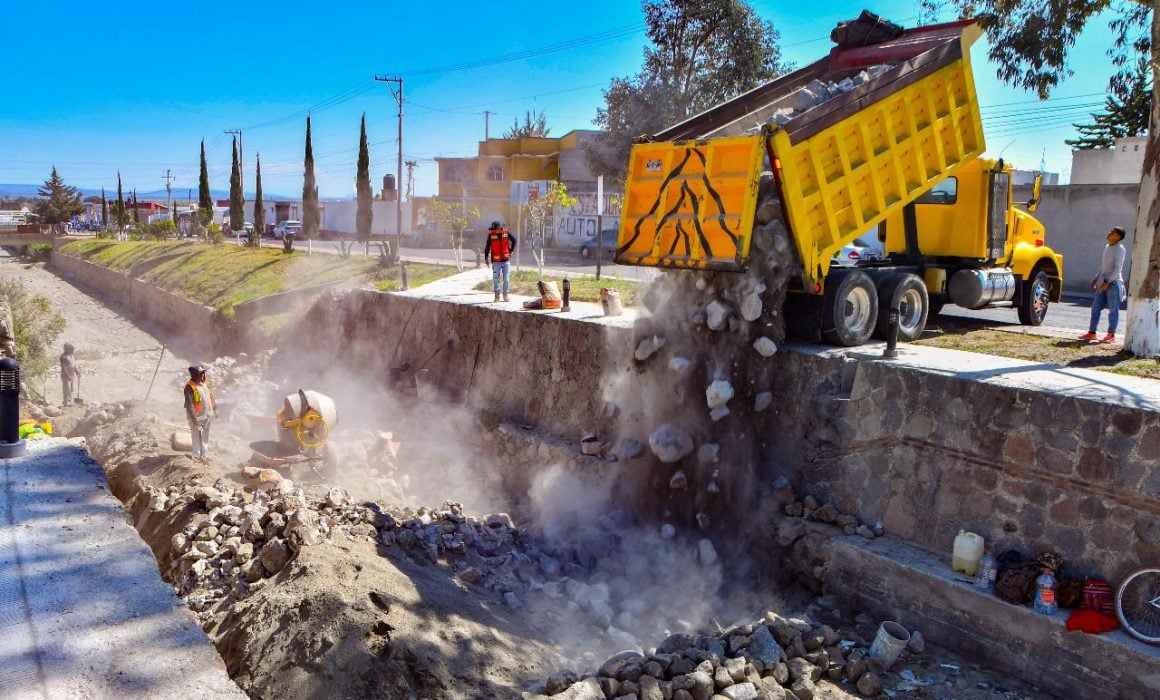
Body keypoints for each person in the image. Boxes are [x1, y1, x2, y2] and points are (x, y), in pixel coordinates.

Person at [1080, 226, 1128, 343]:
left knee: (1113, 310)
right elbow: (1103, 266)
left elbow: (1118, 269)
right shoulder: (1107, 247)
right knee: (1095, 308)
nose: (1109, 233)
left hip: (1113, 284)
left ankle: (1111, 335)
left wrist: (1108, 282)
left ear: (1118, 236)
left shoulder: (1120, 249)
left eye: (1112, 232)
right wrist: (1096, 278)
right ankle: (1092, 333)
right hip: (1102, 283)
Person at [184, 363, 217, 463]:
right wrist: (194, 419)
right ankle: (196, 456)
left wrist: (215, 408)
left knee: (205, 435)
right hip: (197, 417)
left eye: (203, 373)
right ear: (194, 375)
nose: (202, 375)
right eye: (200, 374)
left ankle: (204, 455)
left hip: (207, 415)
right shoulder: (189, 387)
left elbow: (210, 397)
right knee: (196, 436)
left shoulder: (205, 383)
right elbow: (189, 405)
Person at [481, 221, 517, 302]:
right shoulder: (491, 235)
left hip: (506, 260)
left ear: (500, 228)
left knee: (506, 278)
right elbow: (487, 247)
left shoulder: (506, 233)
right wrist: (486, 258)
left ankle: (505, 295)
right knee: (496, 279)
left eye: (496, 229)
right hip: (496, 261)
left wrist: (511, 251)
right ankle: (497, 296)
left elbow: (514, 241)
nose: (494, 231)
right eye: (493, 229)